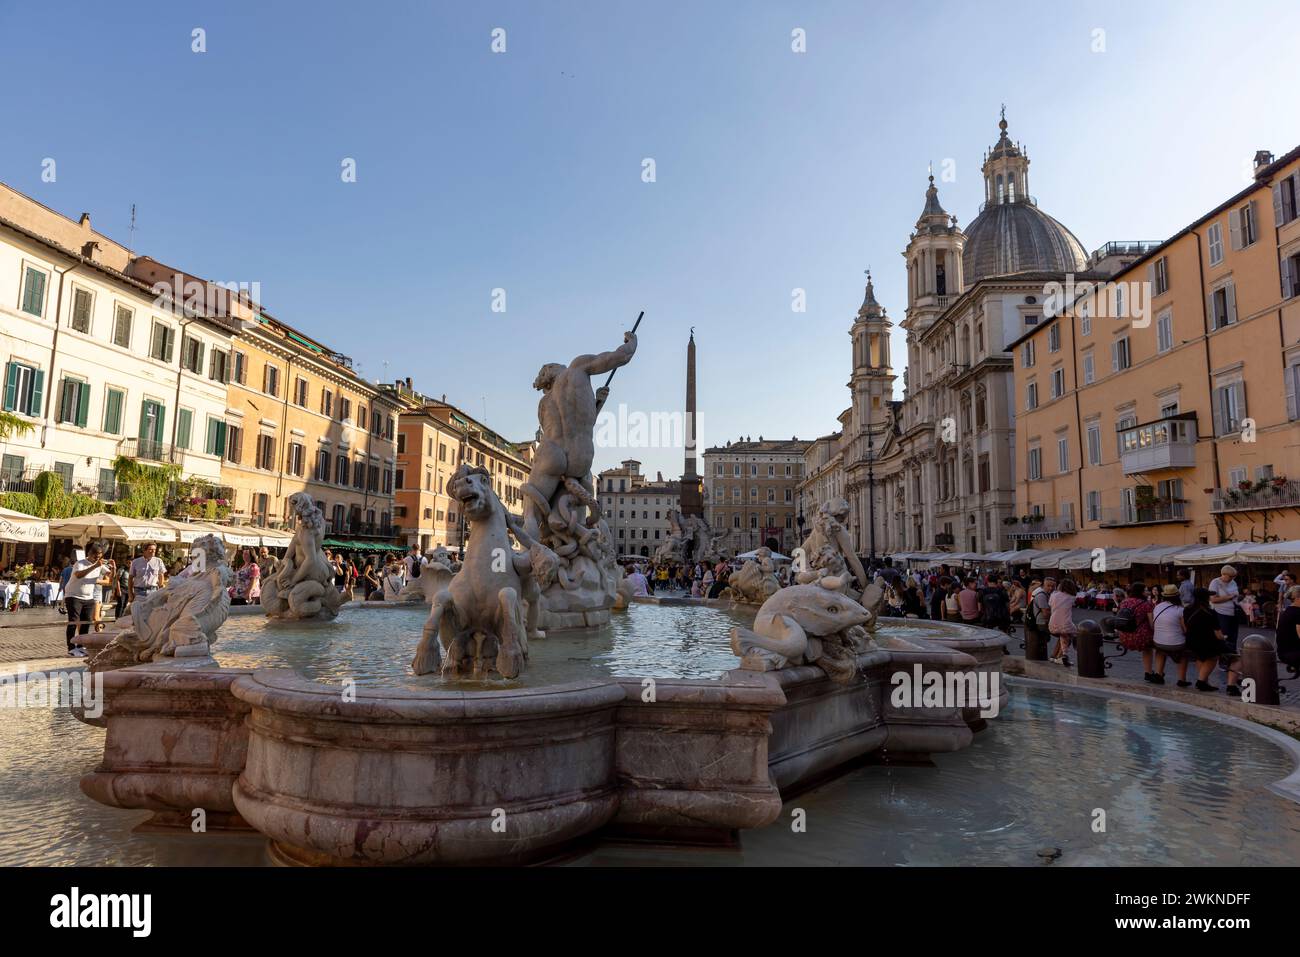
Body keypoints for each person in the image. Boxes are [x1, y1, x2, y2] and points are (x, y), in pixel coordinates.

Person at [1184, 586, 1241, 694]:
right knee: (1235, 658)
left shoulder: (1187, 610)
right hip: (1207, 643)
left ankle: (1204, 683)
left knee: (1201, 657)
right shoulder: (1210, 612)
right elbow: (1218, 634)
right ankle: (1230, 687)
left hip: (1191, 641)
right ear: (1205, 598)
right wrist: (1224, 638)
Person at [64, 542, 107, 656]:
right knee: (73, 621)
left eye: (99, 556)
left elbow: (109, 579)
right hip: (74, 595)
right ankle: (71, 647)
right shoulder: (80, 563)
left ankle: (81, 646)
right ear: (89, 553)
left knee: (86, 622)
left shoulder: (100, 565)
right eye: (95, 555)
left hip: (88, 597)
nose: (97, 558)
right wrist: (95, 566)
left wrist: (114, 569)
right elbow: (79, 575)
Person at [1150, 583, 1189, 686]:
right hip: (1177, 644)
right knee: (1183, 655)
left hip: (1158, 642)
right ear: (1177, 596)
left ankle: (1158, 674)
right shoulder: (1180, 610)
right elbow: (1185, 630)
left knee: (1160, 652)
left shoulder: (1158, 607)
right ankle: (1181, 680)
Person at [1115, 580, 1155, 680]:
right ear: (1141, 592)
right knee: (1148, 649)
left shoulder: (1124, 602)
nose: (1148, 592)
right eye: (1146, 590)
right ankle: (1148, 672)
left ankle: (1149, 672)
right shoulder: (1147, 604)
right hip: (1141, 637)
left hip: (1124, 636)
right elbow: (1151, 624)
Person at [1048, 578, 1077, 667]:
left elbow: (1050, 604)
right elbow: (1073, 603)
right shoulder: (1072, 598)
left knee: (1063, 635)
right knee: (1073, 634)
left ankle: (1054, 656)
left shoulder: (1053, 595)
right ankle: (1062, 655)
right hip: (1066, 625)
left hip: (1052, 624)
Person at [129, 542, 168, 607]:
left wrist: (161, 590)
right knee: (139, 612)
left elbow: (161, 575)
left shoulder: (158, 561)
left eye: (154, 550)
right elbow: (130, 578)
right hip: (139, 591)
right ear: (144, 550)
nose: (153, 551)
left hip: (153, 591)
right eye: (150, 549)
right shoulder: (135, 562)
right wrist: (130, 593)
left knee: (150, 612)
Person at [1276, 585, 1300, 672]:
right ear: (1298, 598)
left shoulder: (1287, 611)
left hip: (1284, 652)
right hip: (1292, 653)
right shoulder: (1297, 613)